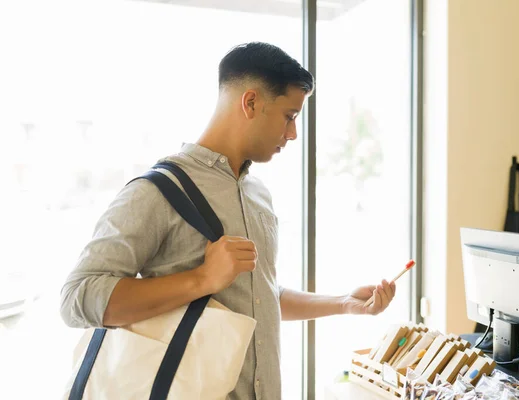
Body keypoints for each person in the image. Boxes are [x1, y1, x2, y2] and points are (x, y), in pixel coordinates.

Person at [60, 42, 396, 400]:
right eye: (289, 116)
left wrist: (344, 302)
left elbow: (259, 297)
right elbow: (77, 298)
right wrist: (201, 278)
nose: (293, 133)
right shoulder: (155, 191)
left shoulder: (257, 195)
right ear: (250, 102)